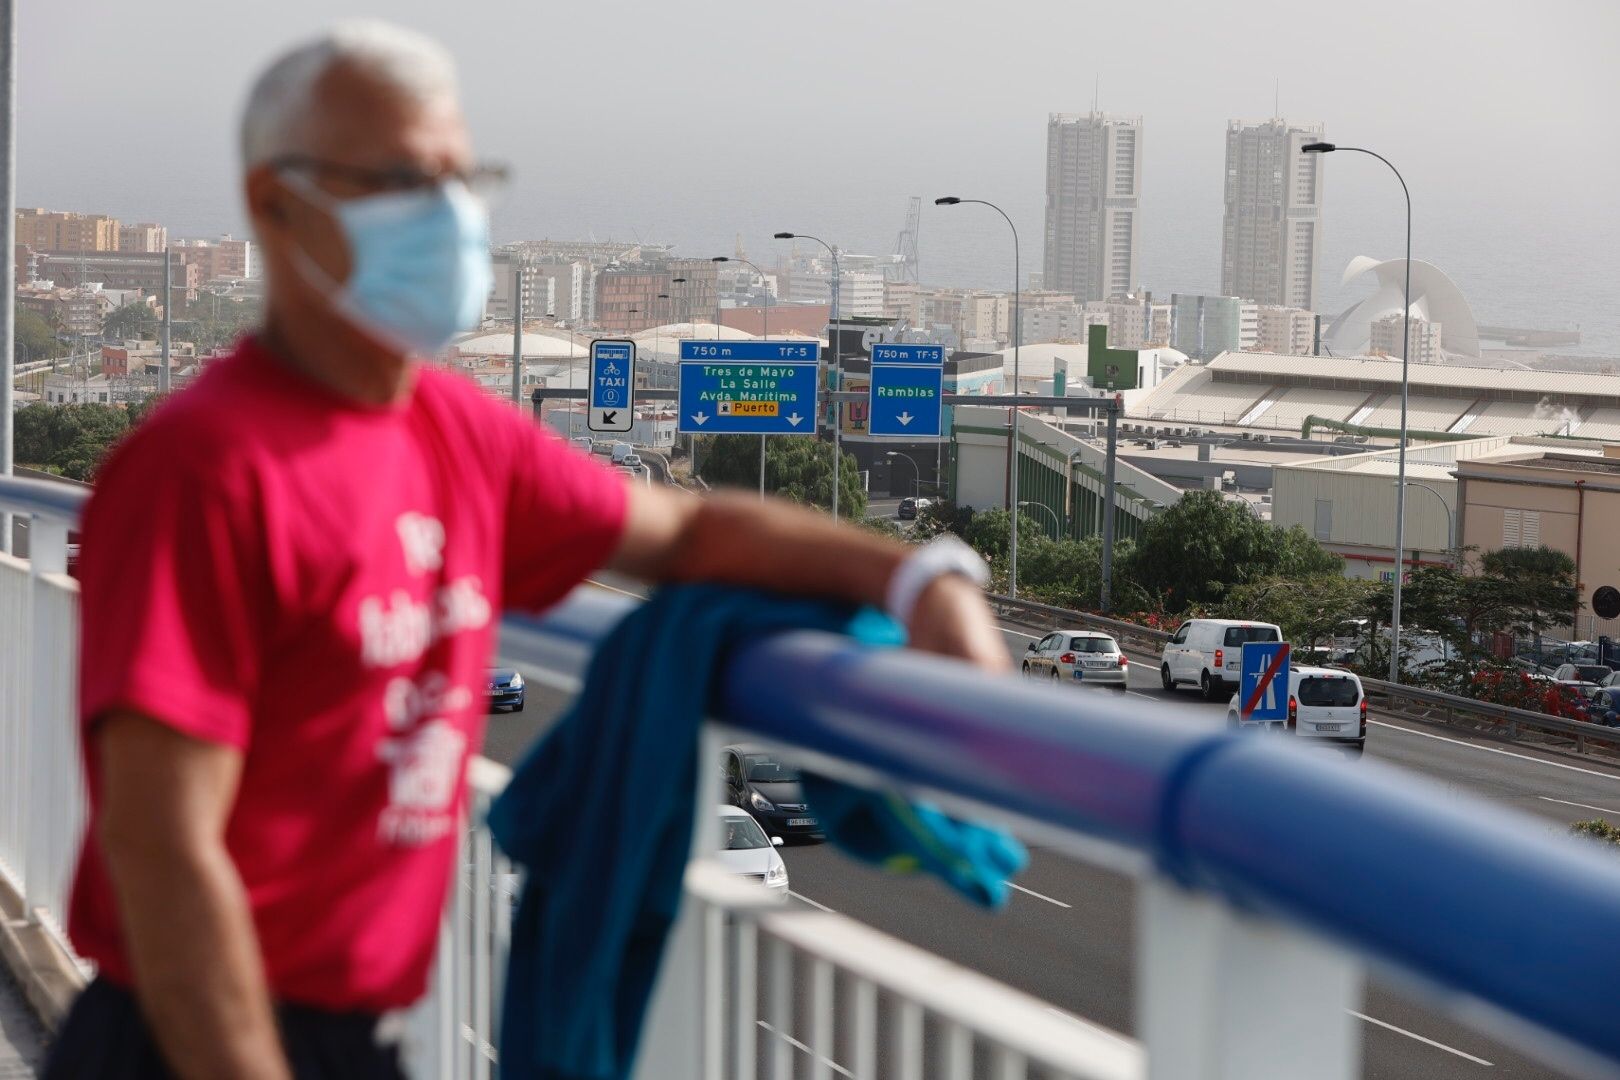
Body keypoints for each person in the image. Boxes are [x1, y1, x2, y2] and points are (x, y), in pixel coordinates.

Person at [45, 21, 1004, 1080]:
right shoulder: (204, 471)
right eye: (404, 179)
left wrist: (921, 576)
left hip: (346, 1036)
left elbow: (687, 531)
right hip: (195, 1039)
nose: (450, 215)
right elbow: (164, 851)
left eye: (462, 178)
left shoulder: (454, 433)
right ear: (277, 204)